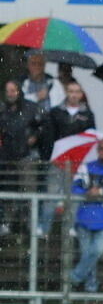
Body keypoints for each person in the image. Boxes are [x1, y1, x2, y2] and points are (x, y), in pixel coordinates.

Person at [39, 81, 96, 237]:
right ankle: (44, 228)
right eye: (71, 91)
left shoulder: (87, 115)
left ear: (81, 94)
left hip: (78, 163)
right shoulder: (56, 112)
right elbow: (49, 137)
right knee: (51, 196)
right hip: (58, 161)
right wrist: (50, 156)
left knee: (75, 197)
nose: (73, 94)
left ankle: (71, 227)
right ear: (66, 92)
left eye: (77, 91)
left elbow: (90, 140)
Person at [69, 139, 103, 293]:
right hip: (85, 217)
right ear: (97, 150)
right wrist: (88, 192)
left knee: (95, 252)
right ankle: (91, 285)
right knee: (88, 254)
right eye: (101, 148)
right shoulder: (86, 167)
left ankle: (75, 277)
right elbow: (75, 188)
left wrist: (101, 192)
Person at [0, 80, 44, 236]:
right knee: (8, 189)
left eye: (13, 90)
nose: (10, 93)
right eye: (8, 90)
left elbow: (42, 126)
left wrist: (34, 137)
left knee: (29, 190)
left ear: (19, 91)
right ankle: (7, 222)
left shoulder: (31, 108)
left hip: (27, 156)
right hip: (7, 156)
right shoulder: (3, 109)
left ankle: (31, 222)